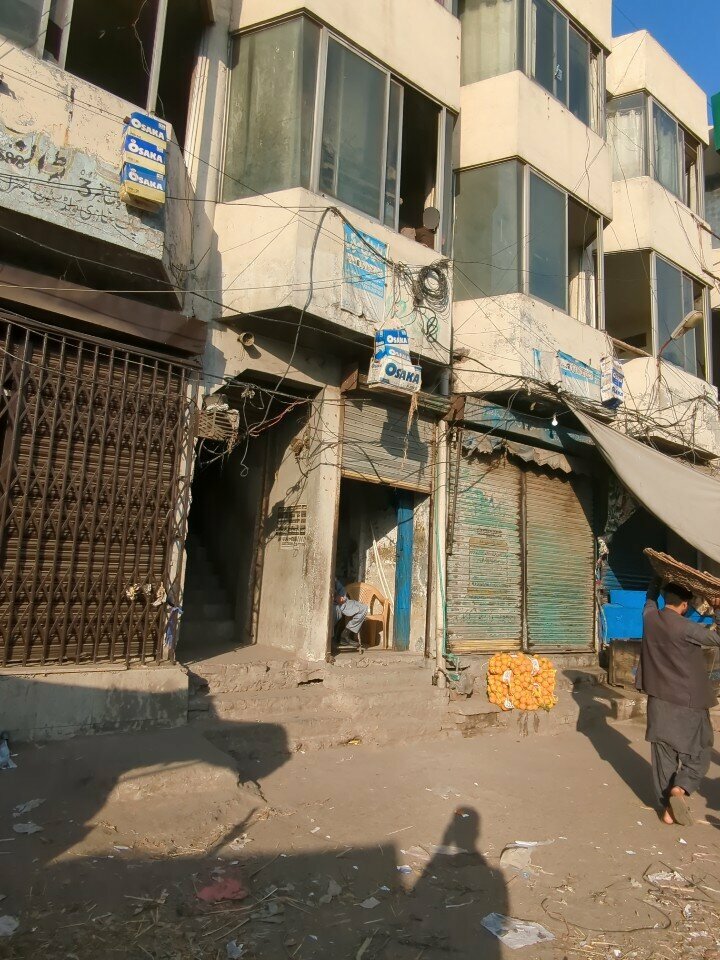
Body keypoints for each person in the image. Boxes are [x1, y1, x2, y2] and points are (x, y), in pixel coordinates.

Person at [637, 578, 720, 826]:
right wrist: (717, 607)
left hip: (658, 701)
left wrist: (656, 581)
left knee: (663, 757)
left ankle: (666, 810)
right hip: (688, 703)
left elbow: (649, 600)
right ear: (684, 605)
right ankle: (680, 789)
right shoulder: (686, 628)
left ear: (665, 599)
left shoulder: (650, 618)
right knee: (700, 752)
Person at [333, 579, 368, 650]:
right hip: (332, 604)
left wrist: (342, 597)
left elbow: (341, 589)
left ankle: (345, 634)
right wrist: (334, 598)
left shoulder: (334, 579)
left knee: (363, 608)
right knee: (332, 614)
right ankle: (330, 640)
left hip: (343, 602)